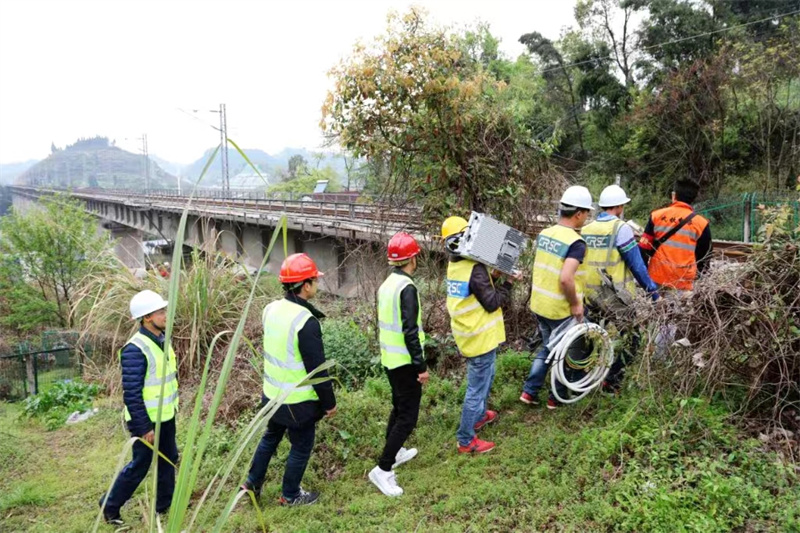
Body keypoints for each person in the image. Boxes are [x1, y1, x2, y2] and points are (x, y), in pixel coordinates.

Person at [241, 253, 336, 507]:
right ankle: (290, 494)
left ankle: (251, 483)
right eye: (315, 280)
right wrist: (329, 403)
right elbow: (318, 370)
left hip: (271, 394)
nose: (317, 284)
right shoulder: (306, 321)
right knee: (301, 446)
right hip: (296, 401)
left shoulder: (270, 309)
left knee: (271, 437)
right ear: (306, 285)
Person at [99, 290, 179, 527]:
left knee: (169, 459)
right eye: (161, 312)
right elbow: (132, 394)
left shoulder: (161, 340)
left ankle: (163, 506)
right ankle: (109, 505)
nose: (166, 315)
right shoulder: (135, 349)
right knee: (140, 466)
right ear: (146, 318)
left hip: (165, 416)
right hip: (146, 422)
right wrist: (144, 427)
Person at [443, 216, 519, 454]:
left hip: (469, 334)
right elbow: (492, 302)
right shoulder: (474, 267)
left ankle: (479, 416)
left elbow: (476, 288)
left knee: (487, 376)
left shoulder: (456, 264)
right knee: (476, 390)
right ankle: (466, 440)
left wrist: (494, 276)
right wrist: (508, 282)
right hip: (479, 338)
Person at [580, 184, 659, 393]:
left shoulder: (586, 229)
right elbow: (636, 265)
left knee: (591, 338)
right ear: (619, 207)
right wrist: (652, 290)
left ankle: (583, 381)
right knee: (632, 339)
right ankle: (611, 381)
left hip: (588, 294)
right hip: (613, 296)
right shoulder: (620, 228)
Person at [520, 186, 592, 410]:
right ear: (578, 213)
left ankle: (530, 391)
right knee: (567, 352)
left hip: (540, 304)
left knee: (549, 347)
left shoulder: (545, 233)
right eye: (587, 213)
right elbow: (566, 279)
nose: (587, 217)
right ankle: (556, 397)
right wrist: (575, 304)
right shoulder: (576, 243)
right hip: (561, 309)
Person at [369, 232, 428, 497]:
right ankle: (383, 469)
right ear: (413, 258)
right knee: (408, 416)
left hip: (390, 359)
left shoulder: (387, 284)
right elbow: (410, 331)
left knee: (398, 407)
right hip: (405, 362)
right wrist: (421, 366)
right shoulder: (407, 288)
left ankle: (395, 452)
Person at [639, 179, 712, 291]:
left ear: (674, 195)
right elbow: (704, 256)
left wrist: (644, 275)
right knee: (679, 308)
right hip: (683, 280)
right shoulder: (701, 223)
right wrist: (700, 276)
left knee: (656, 307)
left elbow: (644, 247)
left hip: (657, 276)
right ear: (693, 198)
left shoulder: (656, 216)